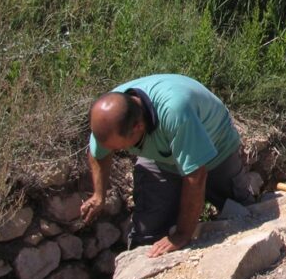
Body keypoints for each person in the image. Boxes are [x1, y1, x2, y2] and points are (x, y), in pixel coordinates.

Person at [80, 74, 254, 257]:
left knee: (246, 214)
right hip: (162, 158)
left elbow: (195, 176)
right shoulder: (108, 118)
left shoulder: (174, 112)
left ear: (138, 127)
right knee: (147, 234)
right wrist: (99, 195)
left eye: (120, 147)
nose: (118, 151)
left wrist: (182, 234)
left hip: (217, 147)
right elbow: (98, 153)